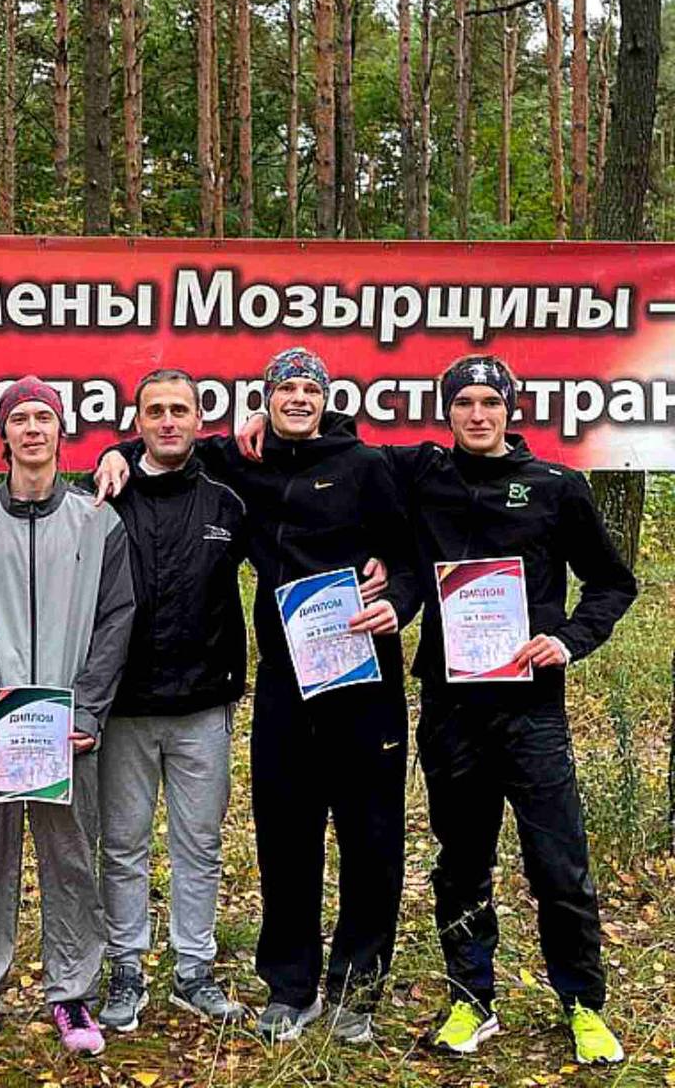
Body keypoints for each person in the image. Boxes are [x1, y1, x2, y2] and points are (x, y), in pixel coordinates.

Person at [234, 353, 638, 1065]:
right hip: (451, 706)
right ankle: (470, 1000)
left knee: (559, 863)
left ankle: (582, 1003)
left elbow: (612, 582)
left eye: (490, 403)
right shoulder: (422, 473)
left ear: (510, 409)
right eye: (464, 404)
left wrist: (570, 640)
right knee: (460, 863)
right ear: (447, 412)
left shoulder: (557, 487)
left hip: (531, 707)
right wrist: (264, 421)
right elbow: (339, 451)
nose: (478, 415)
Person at [97, 348, 419, 1045]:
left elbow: (408, 554)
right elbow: (166, 441)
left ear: (325, 399)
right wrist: (114, 452)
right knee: (286, 836)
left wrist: (397, 597)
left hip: (364, 677)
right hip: (285, 682)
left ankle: (357, 989)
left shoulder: (366, 466)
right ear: (266, 399)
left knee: (370, 839)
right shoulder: (242, 462)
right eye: (285, 388)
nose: (298, 398)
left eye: (309, 388)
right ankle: (291, 987)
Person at [0, 376, 135, 1068]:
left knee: (72, 857)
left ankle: (72, 992)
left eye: (43, 418)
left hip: (65, 726)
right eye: (19, 419)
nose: (32, 430)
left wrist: (89, 709)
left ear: (60, 432)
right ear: (3, 436)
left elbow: (115, 620)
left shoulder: (97, 521)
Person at [91, 369, 252, 1032]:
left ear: (197, 419)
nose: (167, 421)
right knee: (122, 845)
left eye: (179, 410)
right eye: (154, 410)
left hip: (202, 705)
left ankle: (194, 971)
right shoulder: (105, 495)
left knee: (199, 845)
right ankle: (125, 969)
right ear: (138, 422)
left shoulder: (228, 500)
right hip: (123, 705)